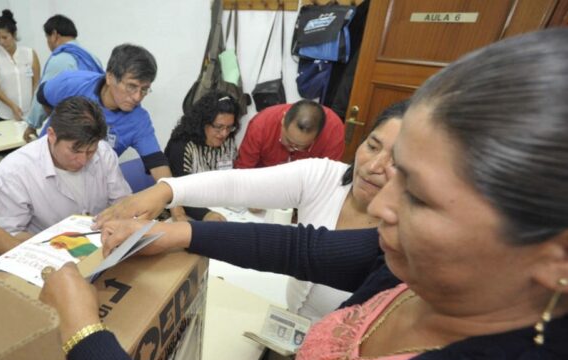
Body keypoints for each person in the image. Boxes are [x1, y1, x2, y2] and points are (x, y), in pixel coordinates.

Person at [40, 29, 568, 360]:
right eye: (390, 163)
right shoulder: (408, 262)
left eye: (420, 198)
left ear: (554, 255)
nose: (385, 202)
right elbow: (302, 248)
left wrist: (85, 330)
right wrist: (178, 228)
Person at [98, 100, 408, 322]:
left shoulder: (406, 242)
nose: (374, 167)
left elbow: (295, 248)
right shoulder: (322, 176)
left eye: (397, 160)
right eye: (372, 145)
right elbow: (238, 185)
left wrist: (173, 231)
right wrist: (166, 190)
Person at [37, 43, 187, 220]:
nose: (138, 97)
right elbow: (42, 97)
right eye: (131, 86)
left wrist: (178, 212)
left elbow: (157, 164)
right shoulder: (72, 83)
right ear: (110, 77)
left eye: (144, 89)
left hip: (89, 183)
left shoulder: (138, 119)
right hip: (46, 172)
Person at [0, 96, 131, 240]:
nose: (83, 160)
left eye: (90, 151)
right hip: (45, 253)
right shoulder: (13, 172)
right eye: (75, 151)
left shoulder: (103, 152)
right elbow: (7, 234)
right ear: (52, 135)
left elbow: (122, 202)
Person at [163, 91, 243, 221]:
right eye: (218, 127)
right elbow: (178, 192)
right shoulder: (182, 145)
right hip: (184, 211)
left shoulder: (228, 141)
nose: (223, 134)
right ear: (202, 122)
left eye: (229, 128)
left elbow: (232, 178)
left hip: (219, 206)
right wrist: (205, 214)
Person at [22, 14, 102, 142]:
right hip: (94, 124)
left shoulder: (60, 59)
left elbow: (43, 96)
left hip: (70, 127)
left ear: (54, 35)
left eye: (47, 37)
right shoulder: (92, 58)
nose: (48, 42)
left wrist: (32, 125)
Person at [234, 100, 345, 169]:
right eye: (289, 141)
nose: (293, 149)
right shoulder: (261, 125)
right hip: (263, 185)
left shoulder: (333, 132)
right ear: (283, 121)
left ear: (317, 136)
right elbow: (243, 170)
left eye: (302, 146)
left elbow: (326, 178)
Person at [0, 9, 40, 121]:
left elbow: (36, 82)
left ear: (13, 34)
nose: (1, 42)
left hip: (29, 112)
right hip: (5, 113)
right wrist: (12, 105)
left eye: (5, 37)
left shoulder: (29, 53)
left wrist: (34, 106)